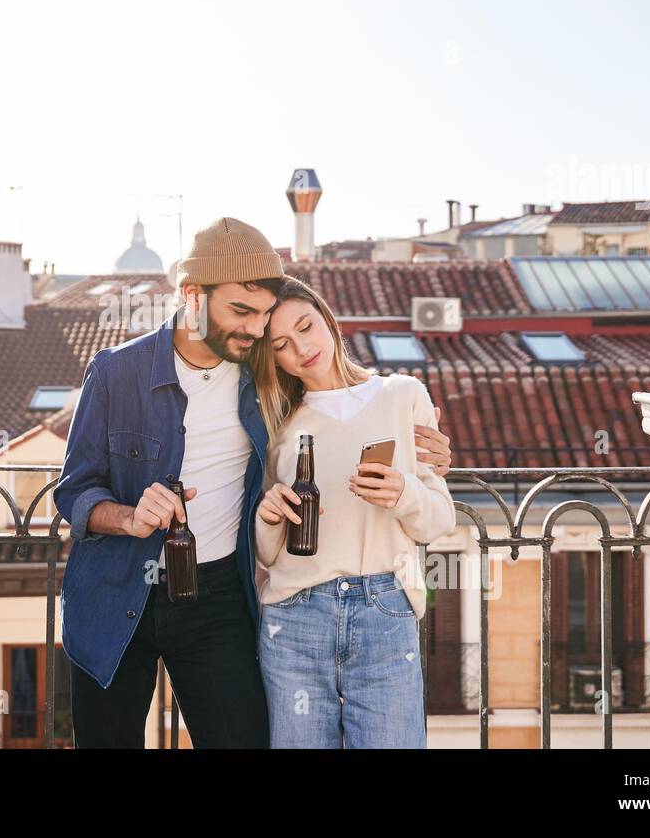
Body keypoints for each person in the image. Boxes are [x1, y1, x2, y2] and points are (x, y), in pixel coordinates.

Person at [53, 217, 454, 748]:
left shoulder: (263, 383)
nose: (256, 330)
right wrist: (128, 516)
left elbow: (342, 413)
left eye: (264, 315)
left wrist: (430, 457)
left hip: (217, 598)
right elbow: (73, 491)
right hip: (116, 590)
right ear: (193, 296)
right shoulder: (115, 372)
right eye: (241, 312)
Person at [251, 275, 457, 749]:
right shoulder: (277, 428)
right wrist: (269, 517)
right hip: (295, 618)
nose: (301, 348)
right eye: (281, 344)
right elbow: (267, 556)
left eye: (306, 326)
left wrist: (403, 491)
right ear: (272, 357)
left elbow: (439, 520)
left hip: (385, 610)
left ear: (327, 317)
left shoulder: (403, 395)